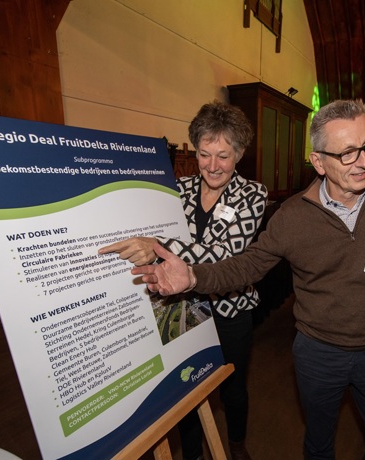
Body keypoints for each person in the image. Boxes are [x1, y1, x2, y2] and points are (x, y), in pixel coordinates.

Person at [130, 99, 365, 460]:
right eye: (347, 153)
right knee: (319, 444)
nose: (364, 161)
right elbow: (247, 266)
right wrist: (193, 275)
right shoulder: (292, 217)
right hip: (318, 352)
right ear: (318, 161)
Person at [100, 101, 268, 460]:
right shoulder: (178, 188)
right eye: (204, 154)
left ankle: (236, 445)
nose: (212, 165)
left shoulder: (253, 195)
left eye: (223, 156)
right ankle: (192, 453)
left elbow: (225, 253)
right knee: (188, 385)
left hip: (230, 308)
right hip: (186, 306)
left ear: (239, 154)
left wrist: (156, 245)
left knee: (233, 387)